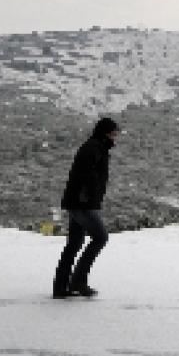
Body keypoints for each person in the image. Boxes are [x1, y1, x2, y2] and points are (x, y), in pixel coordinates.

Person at [53, 117, 119, 298]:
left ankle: (61, 286)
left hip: (79, 202)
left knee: (74, 244)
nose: (116, 138)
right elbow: (86, 176)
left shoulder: (96, 147)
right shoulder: (94, 148)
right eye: (113, 134)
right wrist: (88, 199)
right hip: (83, 203)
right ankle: (77, 281)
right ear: (105, 133)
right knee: (100, 237)